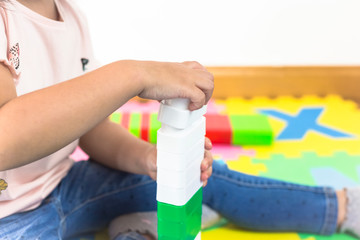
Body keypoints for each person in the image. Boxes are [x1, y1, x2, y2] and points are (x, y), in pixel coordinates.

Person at [0, 0, 358, 239]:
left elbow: (88, 126)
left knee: (199, 178)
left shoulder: (70, 14)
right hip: (9, 222)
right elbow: (6, 139)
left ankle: (343, 205)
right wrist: (133, 74)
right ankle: (136, 229)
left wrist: (150, 159)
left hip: (63, 184)